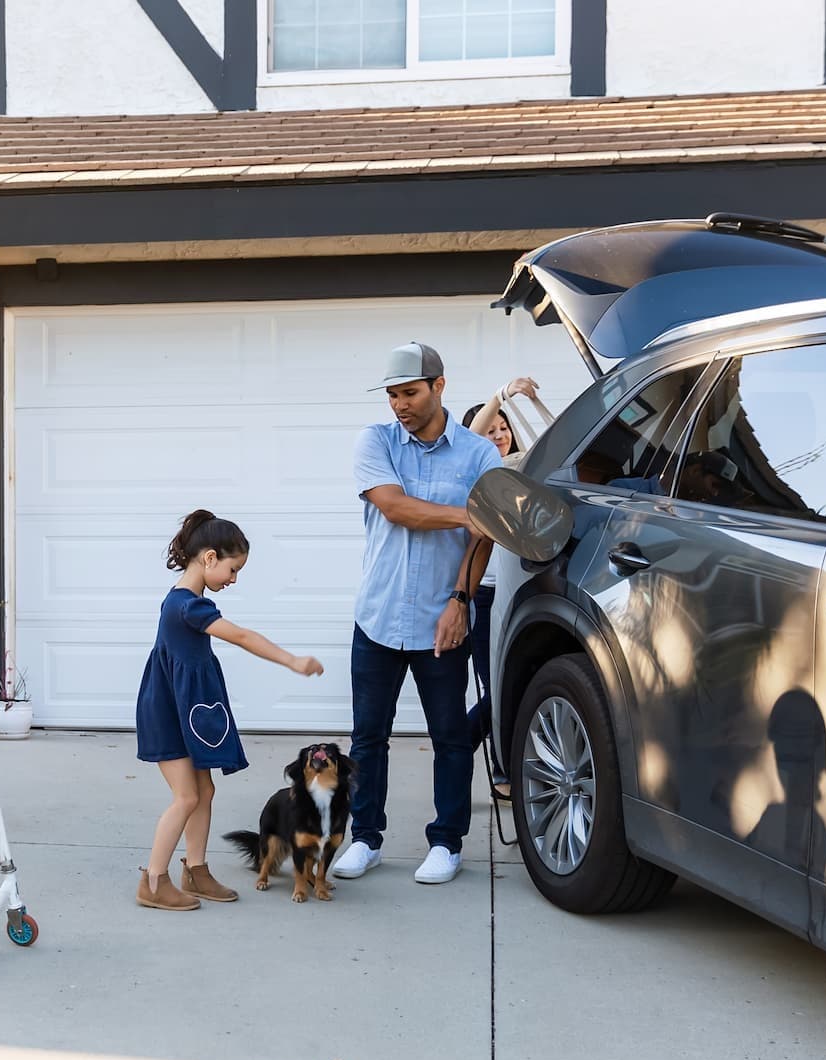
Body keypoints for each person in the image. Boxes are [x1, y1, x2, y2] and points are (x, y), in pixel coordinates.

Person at [332, 343, 505, 887]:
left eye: (409, 392)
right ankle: (365, 839)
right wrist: (468, 514)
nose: (399, 405)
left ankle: (447, 843)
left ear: (439, 386)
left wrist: (460, 601)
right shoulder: (375, 440)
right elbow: (394, 506)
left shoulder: (480, 455)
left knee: (451, 736)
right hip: (378, 616)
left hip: (442, 617)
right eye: (392, 395)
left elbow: (486, 543)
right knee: (367, 737)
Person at [135, 509, 325, 911]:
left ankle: (196, 870)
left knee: (205, 790)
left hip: (188, 710)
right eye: (232, 569)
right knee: (187, 796)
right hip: (169, 713)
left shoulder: (188, 600)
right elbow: (240, 635)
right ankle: (153, 880)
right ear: (208, 558)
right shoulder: (187, 607)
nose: (234, 579)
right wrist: (291, 661)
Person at [460, 376, 556, 792]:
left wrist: (533, 404)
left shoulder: (525, 466)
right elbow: (469, 436)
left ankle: (460, 747)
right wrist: (501, 395)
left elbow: (560, 440)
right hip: (484, 593)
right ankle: (491, 765)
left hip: (522, 589)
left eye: (504, 427)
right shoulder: (478, 468)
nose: (499, 434)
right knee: (495, 686)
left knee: (514, 684)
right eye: (492, 428)